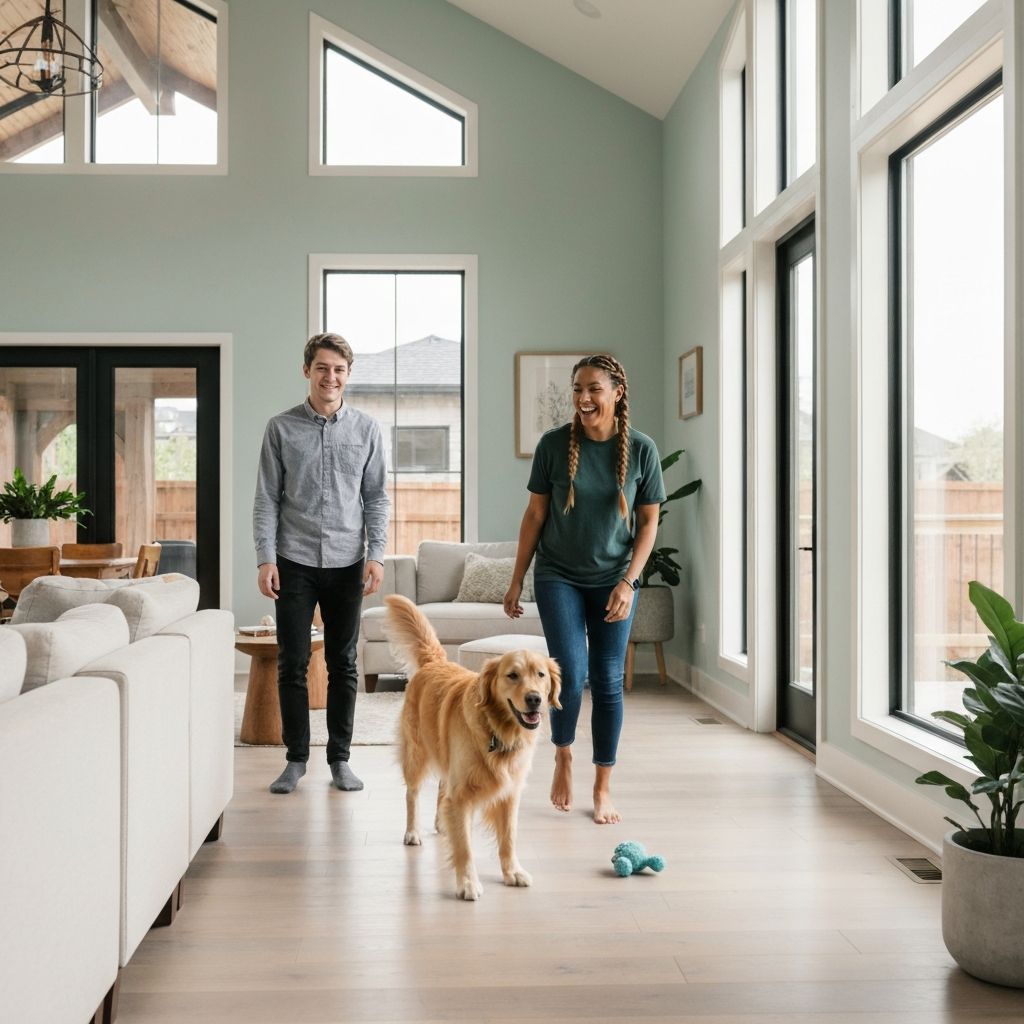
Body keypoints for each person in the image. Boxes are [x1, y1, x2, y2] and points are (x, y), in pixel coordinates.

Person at [503, 354, 664, 824]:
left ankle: (602, 786)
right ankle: (563, 754)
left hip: (615, 578)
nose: (583, 398)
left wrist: (629, 582)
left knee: (609, 680)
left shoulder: (641, 449)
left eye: (594, 388)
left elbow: (649, 521)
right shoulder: (554, 446)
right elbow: (535, 515)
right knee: (569, 676)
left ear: (617, 392)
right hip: (558, 575)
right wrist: (516, 580)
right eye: (577, 389)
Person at [253, 332, 390, 795]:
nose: (330, 377)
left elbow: (376, 499)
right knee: (292, 663)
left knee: (343, 664)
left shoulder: (367, 430)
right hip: (293, 560)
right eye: (322, 368)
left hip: (348, 562)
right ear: (307, 370)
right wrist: (265, 558)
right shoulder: (280, 428)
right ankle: (295, 759)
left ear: (347, 375)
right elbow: (266, 499)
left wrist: (376, 556)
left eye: (339, 369)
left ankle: (340, 758)